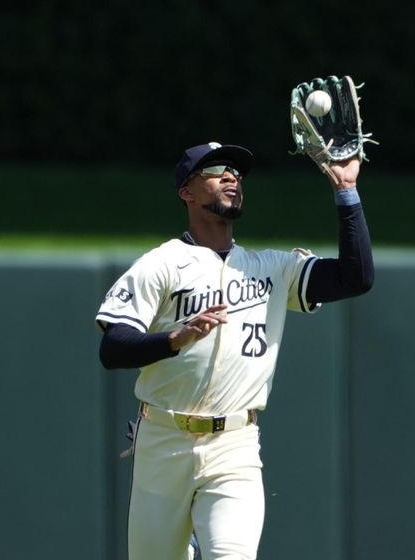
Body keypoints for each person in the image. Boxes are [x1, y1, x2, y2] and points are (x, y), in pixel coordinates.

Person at [96, 140, 374, 560]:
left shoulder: (273, 268)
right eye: (216, 170)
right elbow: (113, 347)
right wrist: (172, 339)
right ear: (186, 192)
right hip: (163, 441)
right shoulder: (163, 264)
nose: (232, 176)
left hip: (235, 445)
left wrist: (346, 191)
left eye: (236, 171)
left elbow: (356, 278)